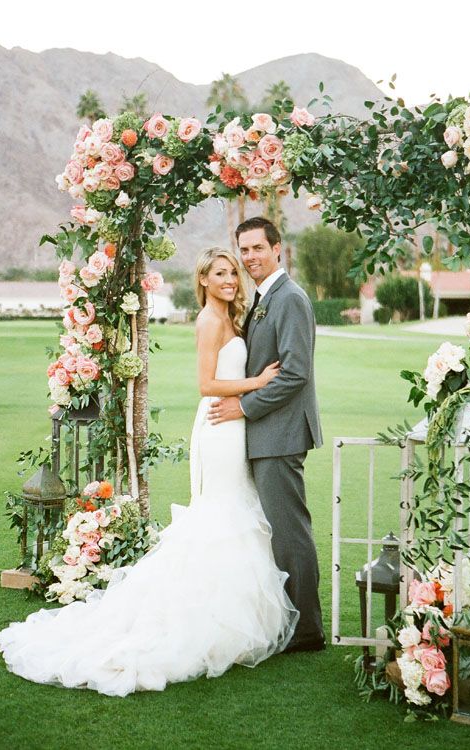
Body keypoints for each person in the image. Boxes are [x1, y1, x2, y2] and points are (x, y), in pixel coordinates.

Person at [0, 247, 298, 697]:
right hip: (218, 427)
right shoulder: (210, 322)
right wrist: (257, 383)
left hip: (235, 427)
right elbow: (206, 384)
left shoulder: (232, 318)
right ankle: (200, 620)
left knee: (236, 509)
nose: (230, 279)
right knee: (218, 514)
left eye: (233, 272)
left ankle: (229, 619)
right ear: (204, 279)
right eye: (220, 273)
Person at [207, 217, 325, 652]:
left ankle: (307, 631)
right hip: (264, 434)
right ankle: (285, 619)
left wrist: (244, 405)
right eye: (245, 249)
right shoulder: (262, 298)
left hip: (281, 434)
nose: (251, 257)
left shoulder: (289, 298)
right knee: (274, 532)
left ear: (278, 248)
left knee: (290, 532)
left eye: (259, 248)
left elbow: (295, 372)